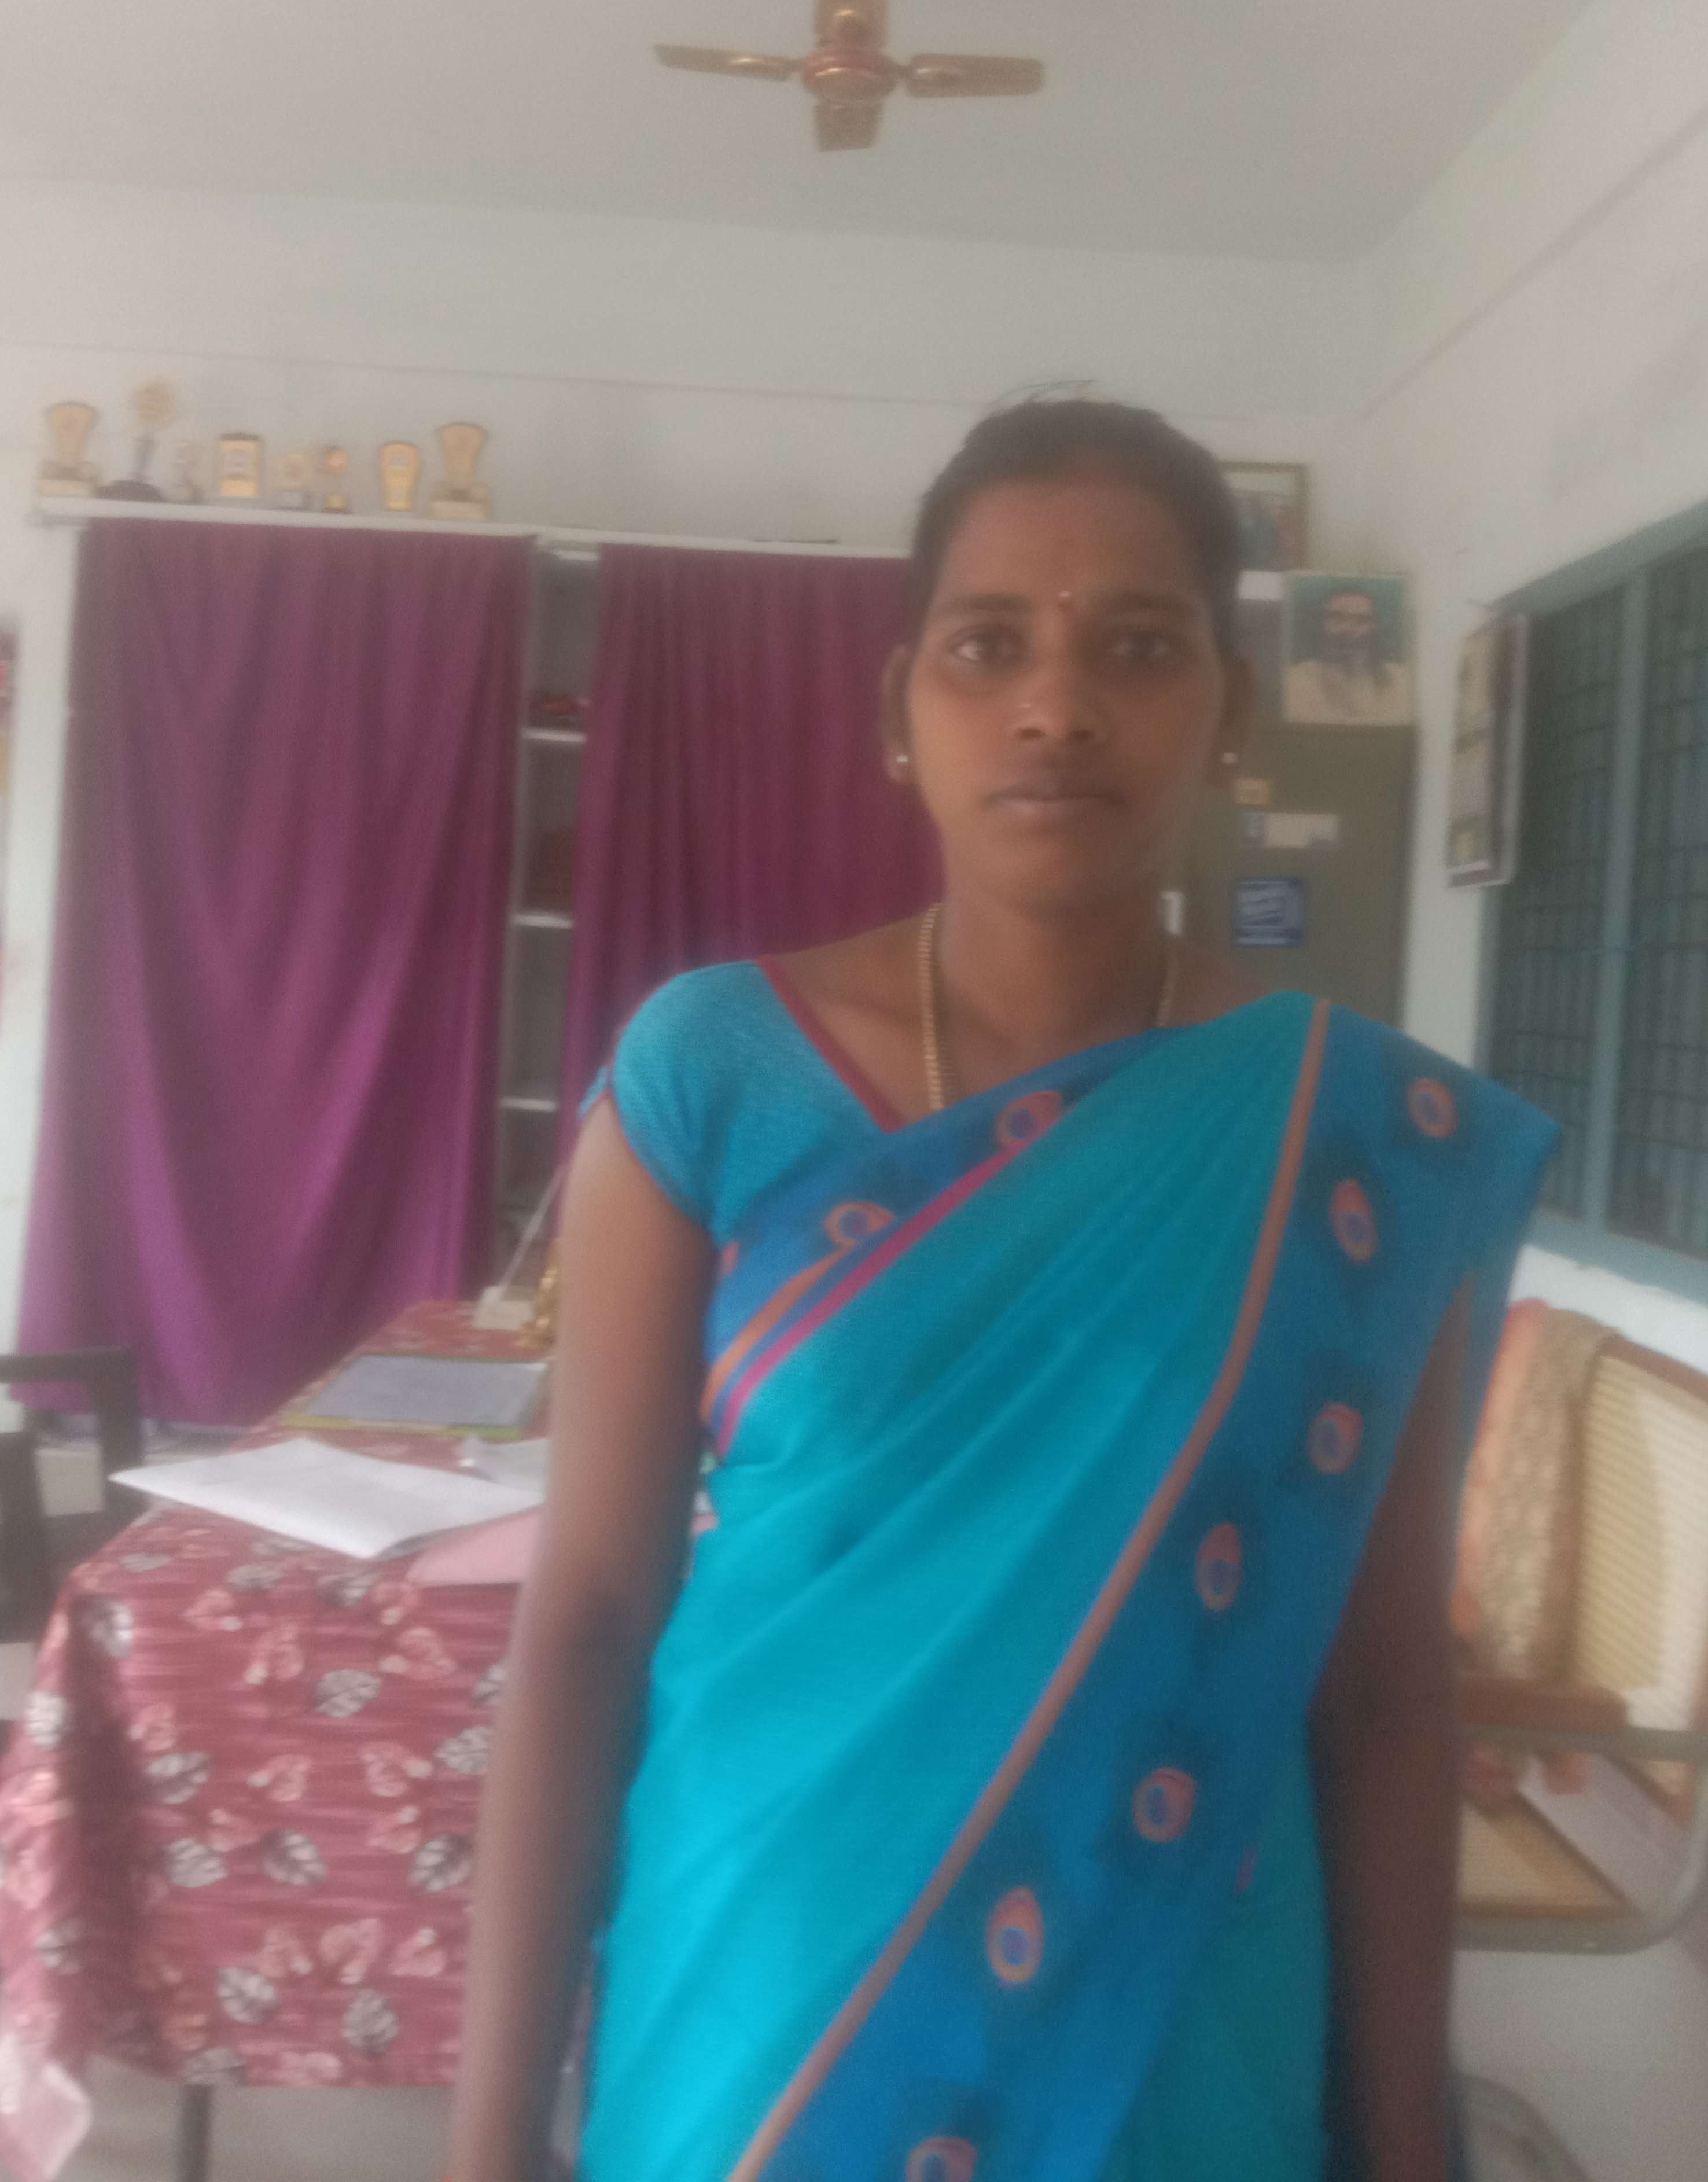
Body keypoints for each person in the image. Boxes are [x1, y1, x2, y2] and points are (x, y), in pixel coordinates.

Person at [448, 400, 1553, 2182]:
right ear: (901, 710)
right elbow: (585, 1614)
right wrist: (489, 2136)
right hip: (764, 1974)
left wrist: (1406, 2140)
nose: (1057, 705)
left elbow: (1380, 1692)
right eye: (987, 646)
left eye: (1138, 645)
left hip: (1178, 1996)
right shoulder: (710, 1074)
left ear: (1230, 709)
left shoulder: (1348, 1140)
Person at [1284, 584, 1414, 725]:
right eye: (1337, 618)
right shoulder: (1296, 680)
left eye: (1361, 620)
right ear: (1322, 624)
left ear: (1374, 628)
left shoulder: (1403, 680)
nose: (1348, 629)